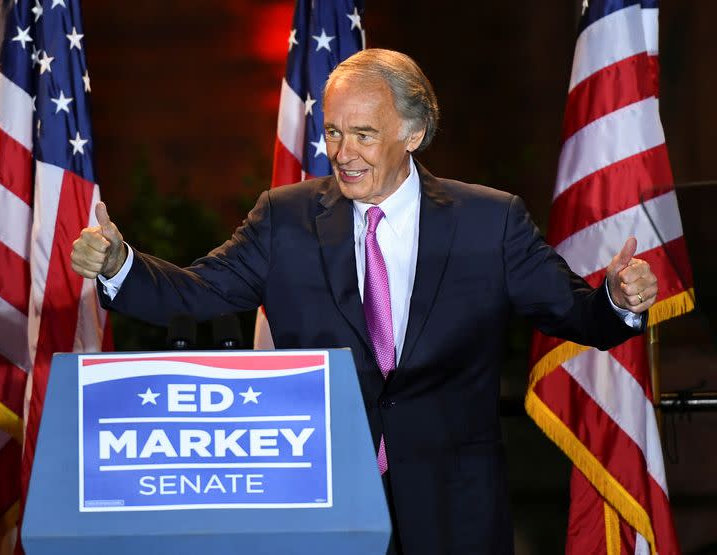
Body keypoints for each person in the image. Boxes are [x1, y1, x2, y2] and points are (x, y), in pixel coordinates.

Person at [71, 49, 658, 555]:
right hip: (325, 503)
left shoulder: (489, 221)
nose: (342, 151)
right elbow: (198, 292)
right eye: (332, 131)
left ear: (414, 133)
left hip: (455, 508)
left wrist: (617, 298)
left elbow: (577, 314)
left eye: (364, 133)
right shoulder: (285, 217)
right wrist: (120, 264)